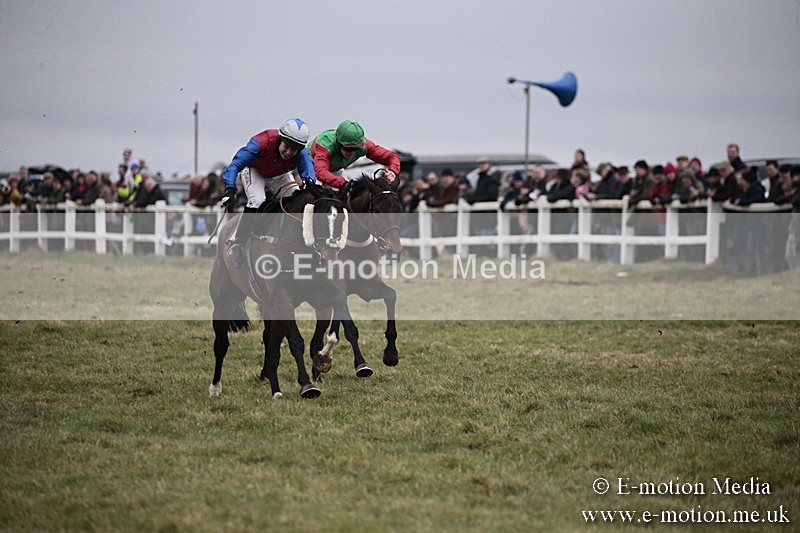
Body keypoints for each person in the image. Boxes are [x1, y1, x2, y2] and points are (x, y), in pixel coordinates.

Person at [220, 117, 316, 268]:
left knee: (297, 200)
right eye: (287, 147)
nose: (289, 152)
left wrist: (310, 182)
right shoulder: (261, 142)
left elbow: (309, 171)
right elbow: (236, 164)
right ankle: (237, 242)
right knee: (258, 200)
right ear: (280, 139)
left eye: (294, 150)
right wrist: (230, 188)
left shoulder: (302, 153)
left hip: (279, 175)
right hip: (254, 171)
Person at [309, 119, 400, 189]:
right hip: (309, 168)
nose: (352, 153)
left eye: (356, 149)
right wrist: (343, 183)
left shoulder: (364, 145)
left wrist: (392, 171)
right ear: (338, 143)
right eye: (348, 149)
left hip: (335, 171)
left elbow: (392, 157)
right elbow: (321, 173)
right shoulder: (325, 145)